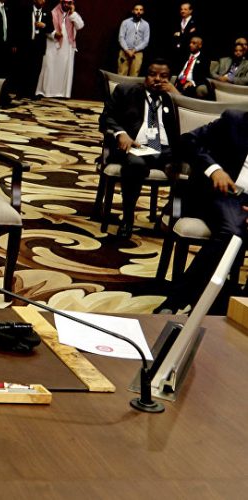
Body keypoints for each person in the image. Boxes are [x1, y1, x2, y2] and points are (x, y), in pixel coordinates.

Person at [155, 110, 248, 314]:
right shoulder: (234, 120)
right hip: (221, 192)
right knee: (234, 234)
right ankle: (178, 301)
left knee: (237, 233)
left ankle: (232, 303)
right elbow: (187, 141)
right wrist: (214, 170)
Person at [99, 59, 179, 239]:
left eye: (163, 76)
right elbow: (106, 118)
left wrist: (177, 97)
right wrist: (121, 133)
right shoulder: (126, 91)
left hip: (165, 149)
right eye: (152, 74)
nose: (157, 79)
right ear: (145, 76)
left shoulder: (172, 98)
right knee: (135, 165)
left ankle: (167, 216)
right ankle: (127, 219)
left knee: (189, 167)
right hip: (136, 146)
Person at [35, 0, 84, 98]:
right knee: (50, 68)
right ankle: (47, 92)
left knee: (64, 71)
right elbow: (47, 29)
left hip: (67, 48)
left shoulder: (73, 15)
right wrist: (54, 34)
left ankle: (62, 94)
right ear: (61, 3)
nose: (67, 5)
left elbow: (80, 25)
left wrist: (73, 13)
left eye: (69, 3)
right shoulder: (53, 13)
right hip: (53, 46)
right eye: (65, 2)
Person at [13, 0, 51, 98]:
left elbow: (51, 28)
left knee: (35, 70)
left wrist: (44, 25)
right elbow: (17, 27)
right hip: (25, 44)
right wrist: (15, 43)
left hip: (39, 46)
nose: (43, 1)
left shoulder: (47, 12)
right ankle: (20, 93)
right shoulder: (25, 10)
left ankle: (31, 93)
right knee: (23, 68)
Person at [117, 3, 150, 77]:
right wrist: (127, 50)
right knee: (121, 74)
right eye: (136, 9)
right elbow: (121, 37)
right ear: (133, 11)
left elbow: (146, 41)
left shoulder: (146, 25)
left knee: (134, 75)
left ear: (143, 12)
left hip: (137, 53)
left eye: (141, 10)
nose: (138, 11)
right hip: (125, 51)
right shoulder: (125, 22)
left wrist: (134, 50)